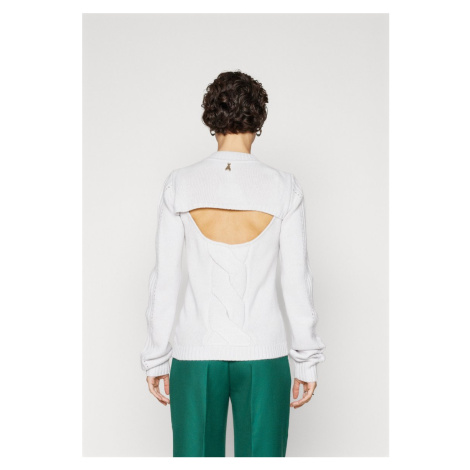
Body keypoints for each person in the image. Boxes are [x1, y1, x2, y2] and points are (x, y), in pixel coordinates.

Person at [140, 70, 326, 457]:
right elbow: (297, 282)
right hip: (264, 356)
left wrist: (156, 356)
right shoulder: (284, 187)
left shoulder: (180, 183)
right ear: (259, 120)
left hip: (196, 357)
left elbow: (165, 279)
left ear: (211, 119)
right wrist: (306, 360)